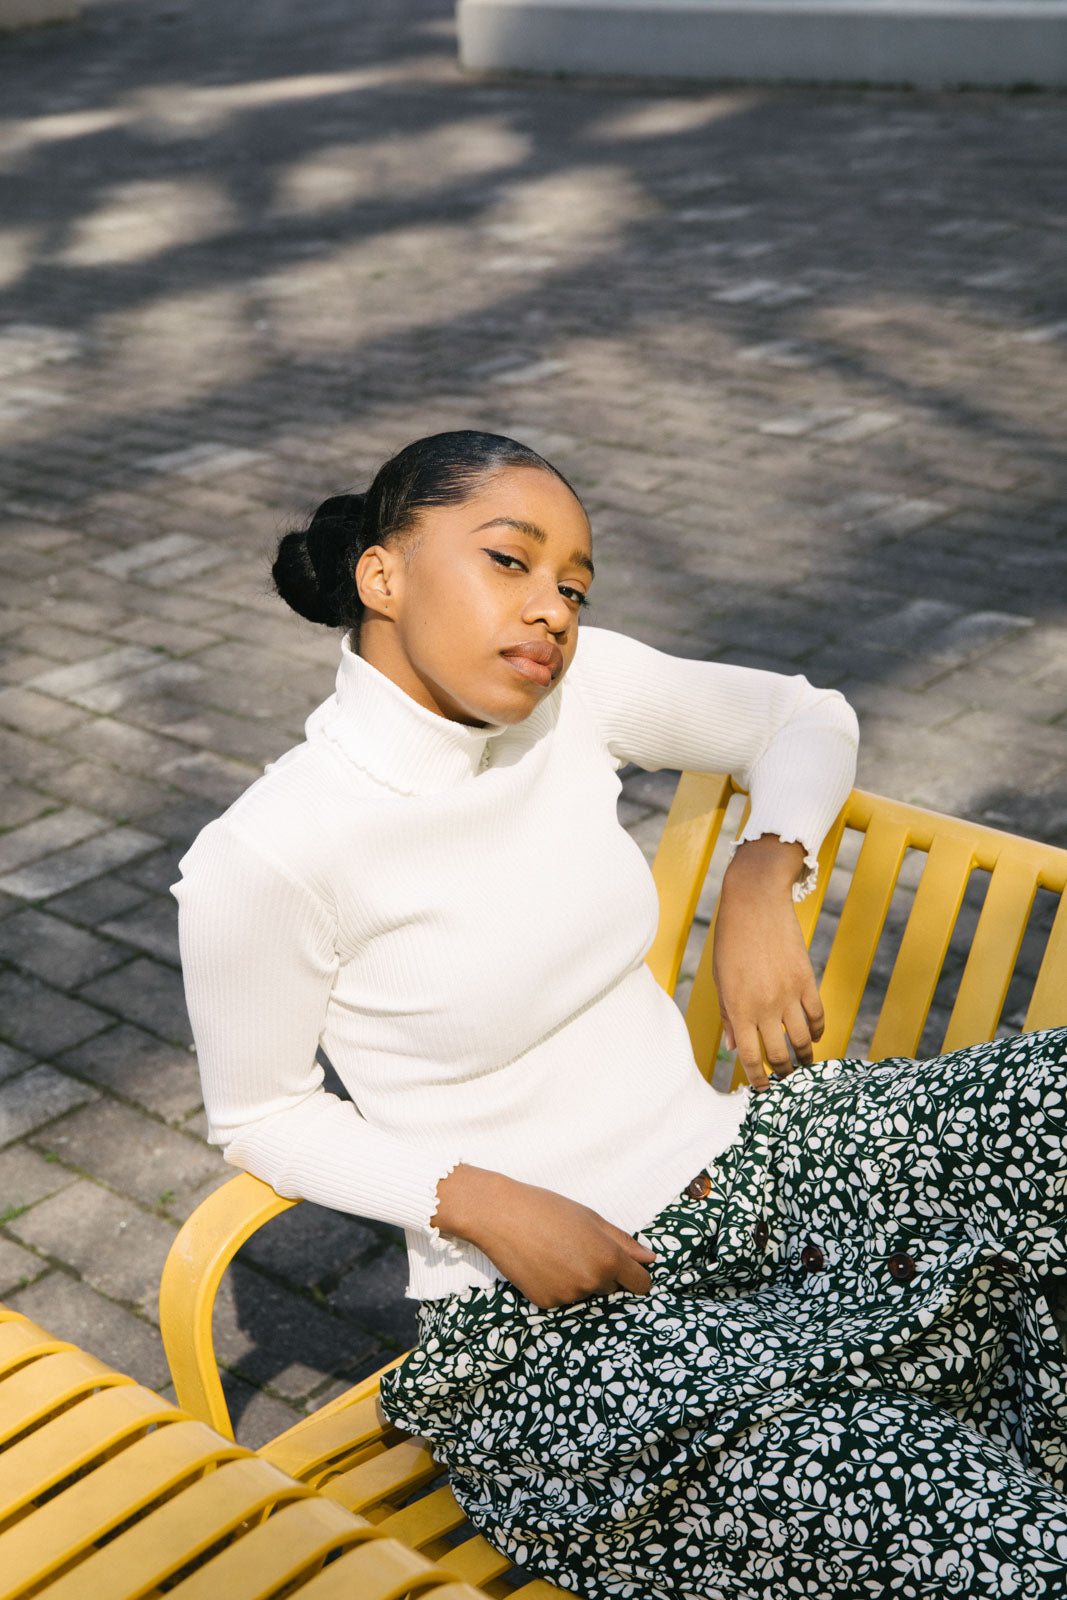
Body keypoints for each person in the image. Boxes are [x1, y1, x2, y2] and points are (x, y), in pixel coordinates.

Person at [174, 430, 1067, 1600]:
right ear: (381, 576)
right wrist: (477, 1198)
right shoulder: (268, 853)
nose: (550, 610)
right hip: (556, 1321)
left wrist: (764, 869)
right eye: (510, 560)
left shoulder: (573, 698)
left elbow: (801, 715)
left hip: (750, 1170)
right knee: (987, 1538)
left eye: (573, 587)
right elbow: (262, 1117)